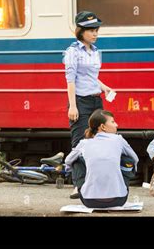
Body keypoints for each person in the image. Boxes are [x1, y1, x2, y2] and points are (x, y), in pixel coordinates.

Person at [64, 11, 113, 198]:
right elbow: (71, 80)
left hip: (96, 100)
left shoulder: (95, 52)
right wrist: (72, 106)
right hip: (80, 101)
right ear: (81, 31)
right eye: (91, 30)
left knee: (98, 141)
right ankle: (78, 185)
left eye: (96, 30)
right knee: (80, 143)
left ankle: (95, 183)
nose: (95, 34)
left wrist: (104, 87)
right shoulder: (72, 52)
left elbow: (92, 77)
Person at [65, 109, 139, 208]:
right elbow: (134, 159)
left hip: (89, 201)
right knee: (127, 160)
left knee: (76, 160)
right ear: (103, 127)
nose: (116, 125)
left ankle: (79, 188)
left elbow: (68, 160)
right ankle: (119, 187)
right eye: (113, 122)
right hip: (119, 200)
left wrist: (70, 170)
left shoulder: (84, 143)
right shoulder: (119, 140)